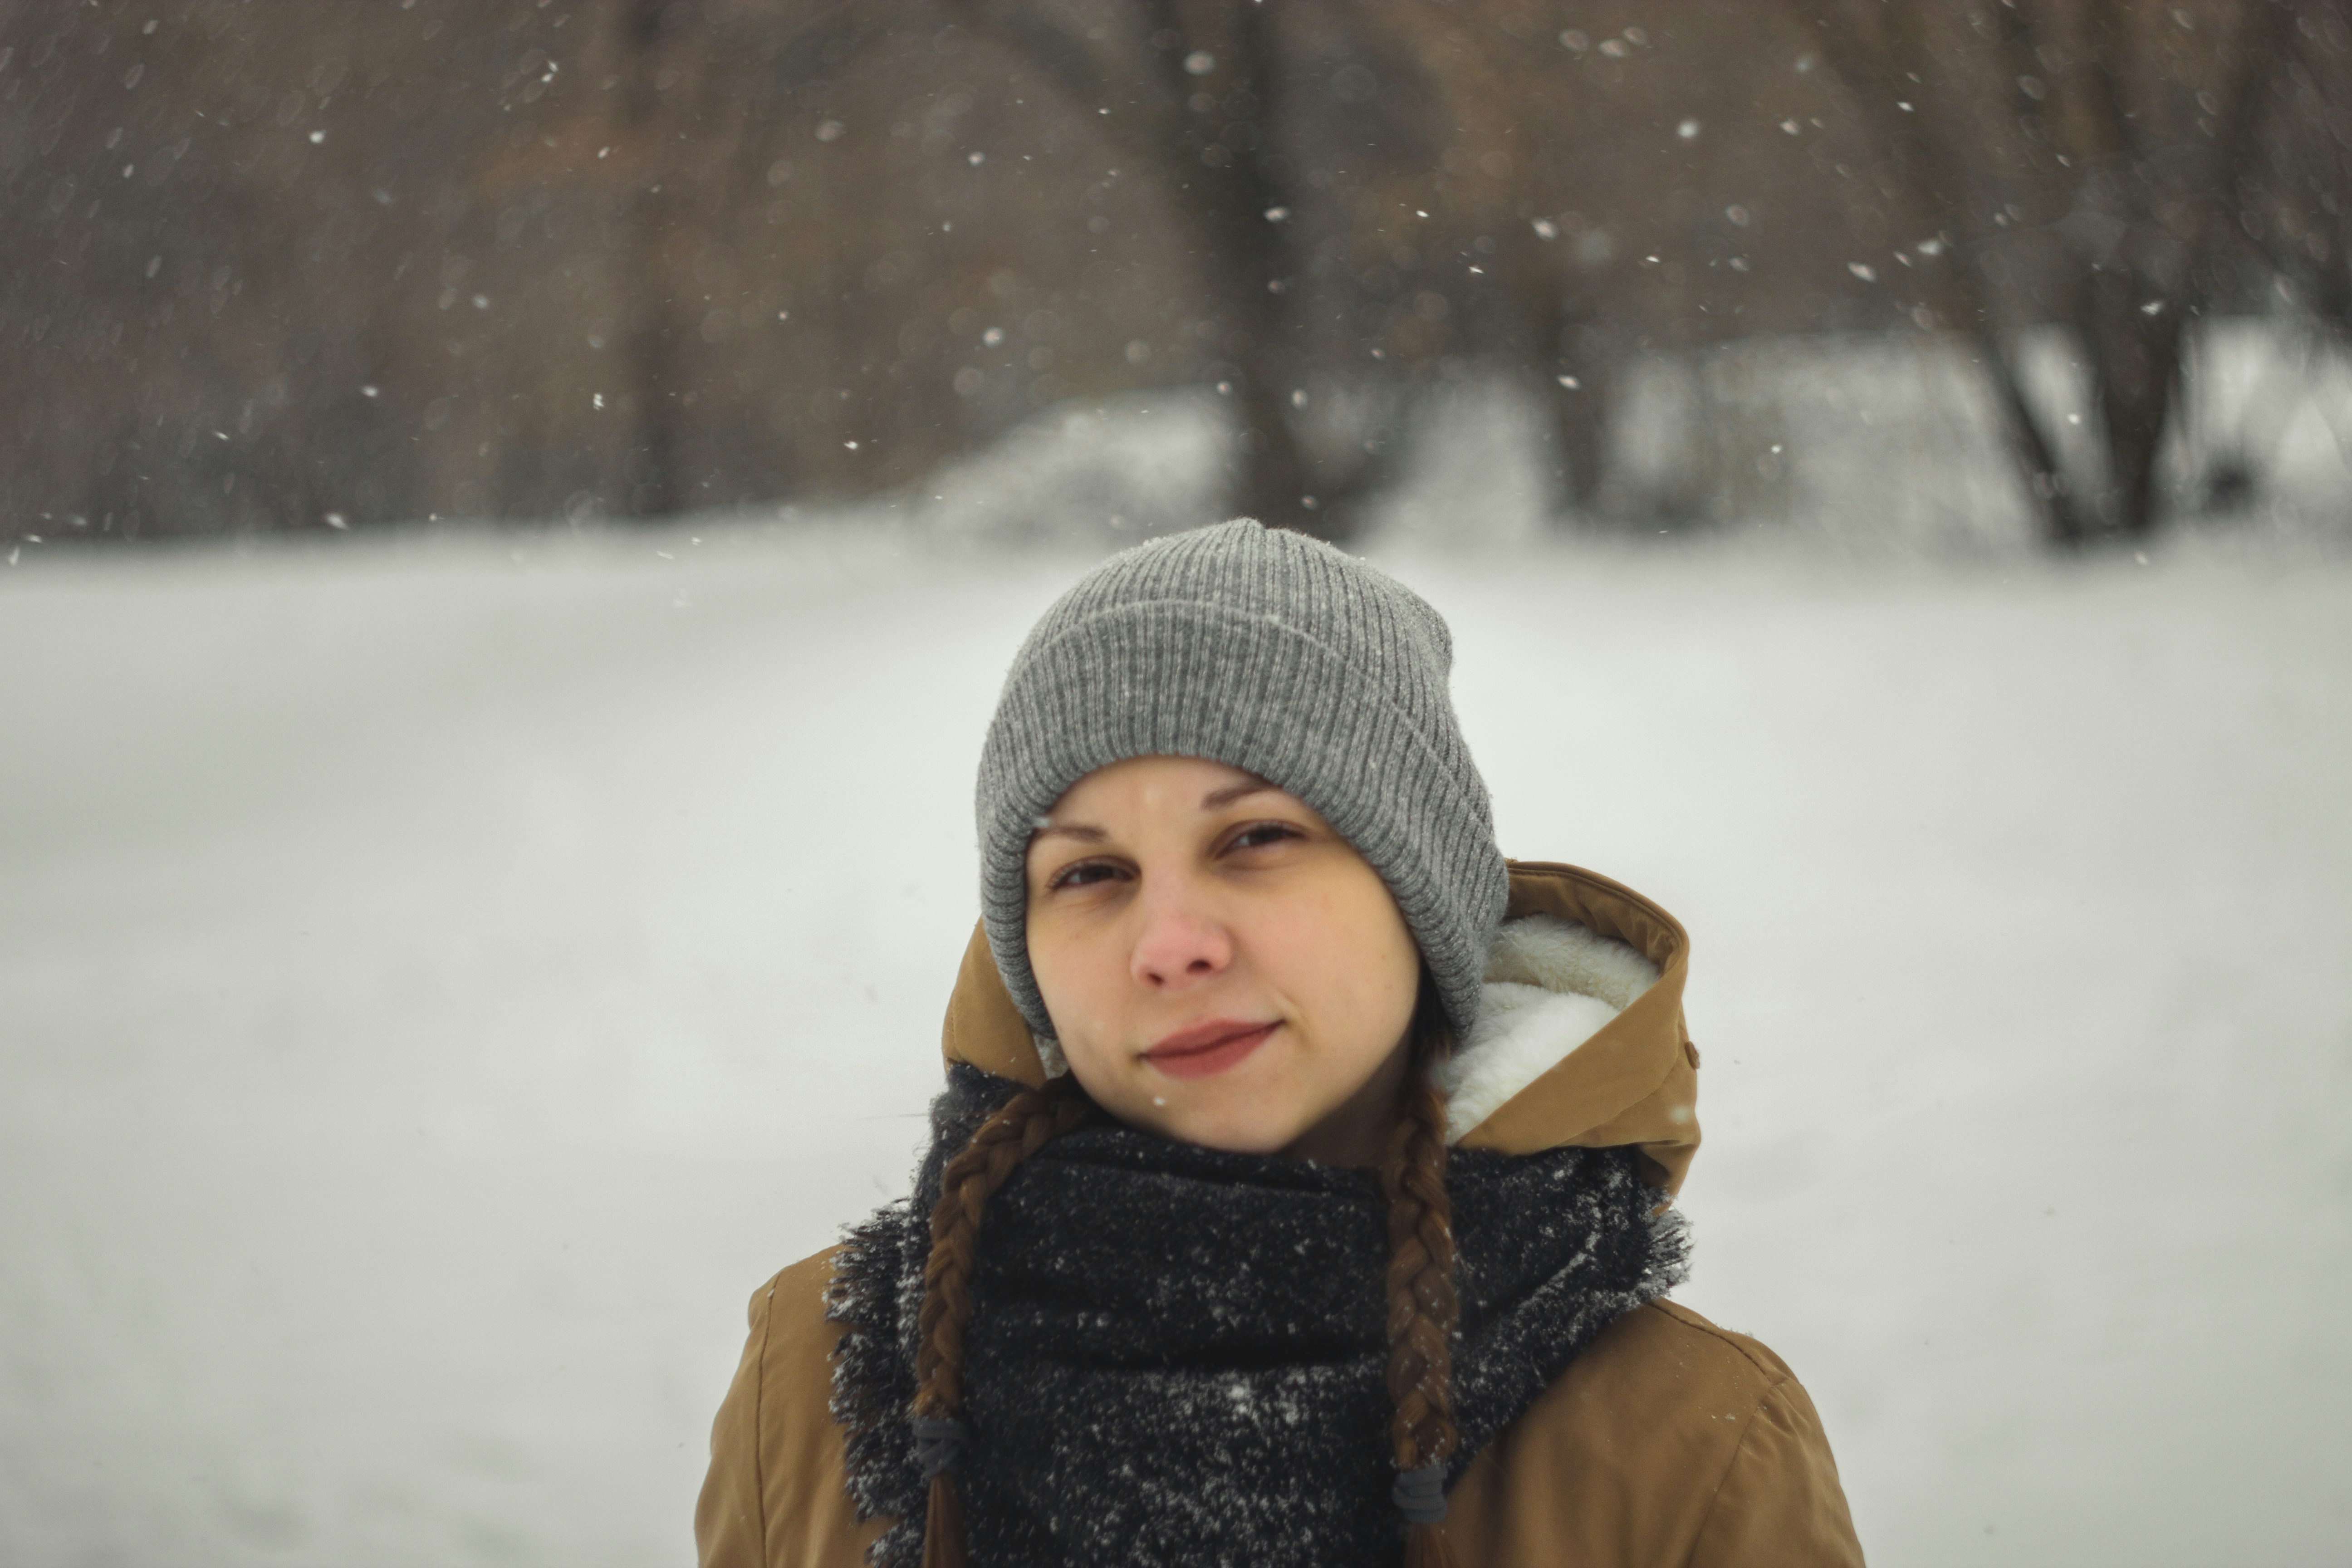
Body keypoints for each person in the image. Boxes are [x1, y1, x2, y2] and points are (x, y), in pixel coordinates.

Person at [695, 519, 1863, 1567]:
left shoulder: (1688, 1451)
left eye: (1255, 838)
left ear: (1423, 898)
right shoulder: (823, 1386)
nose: (1171, 944)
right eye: (1090, 873)